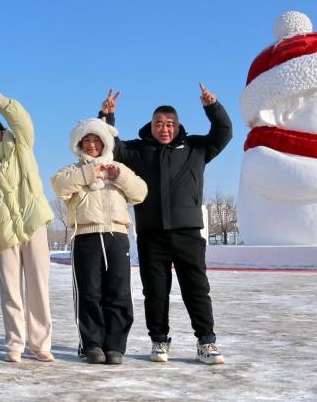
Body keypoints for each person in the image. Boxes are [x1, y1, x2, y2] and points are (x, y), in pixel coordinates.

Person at [98, 84, 232, 365]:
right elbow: (110, 147)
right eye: (159, 123)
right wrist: (107, 116)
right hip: (151, 234)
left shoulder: (196, 148)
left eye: (170, 124)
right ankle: (159, 340)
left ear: (178, 125)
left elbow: (223, 133)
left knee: (196, 288)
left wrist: (212, 107)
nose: (164, 128)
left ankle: (206, 342)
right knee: (155, 291)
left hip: (188, 232)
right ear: (152, 125)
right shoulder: (137, 152)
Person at [50, 118, 147, 365]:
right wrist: (88, 173)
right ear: (79, 144)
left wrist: (119, 176)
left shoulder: (118, 168)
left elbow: (140, 193)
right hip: (85, 236)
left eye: (97, 139)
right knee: (89, 293)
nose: (92, 144)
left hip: (117, 236)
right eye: (87, 140)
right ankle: (92, 344)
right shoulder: (72, 171)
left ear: (105, 143)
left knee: (119, 292)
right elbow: (59, 186)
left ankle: (115, 346)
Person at [0, 84, 55, 364]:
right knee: (10, 290)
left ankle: (41, 343)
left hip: (33, 225)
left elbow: (23, 121)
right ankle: (15, 344)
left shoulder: (21, 146)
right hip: (4, 233)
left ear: (3, 131)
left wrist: (1, 102)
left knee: (38, 287)